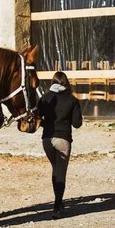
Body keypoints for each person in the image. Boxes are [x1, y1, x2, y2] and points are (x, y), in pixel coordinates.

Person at [38, 71, 82, 219]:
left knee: (56, 170)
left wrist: (49, 122)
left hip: (47, 139)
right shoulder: (72, 100)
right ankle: (57, 207)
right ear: (66, 82)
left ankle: (59, 202)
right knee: (60, 172)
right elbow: (77, 124)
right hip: (63, 139)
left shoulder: (45, 98)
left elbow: (38, 119)